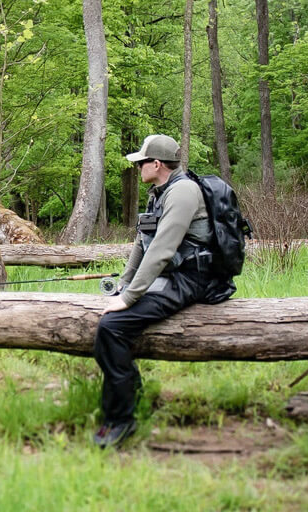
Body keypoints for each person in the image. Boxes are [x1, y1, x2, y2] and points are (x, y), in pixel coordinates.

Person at [91, 134, 228, 449]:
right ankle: (133, 393)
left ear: (156, 164)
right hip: (173, 276)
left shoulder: (183, 193)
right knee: (108, 321)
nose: (137, 167)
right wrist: (123, 285)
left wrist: (128, 300)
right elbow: (143, 243)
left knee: (112, 327)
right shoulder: (161, 192)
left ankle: (120, 420)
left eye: (141, 162)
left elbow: (162, 251)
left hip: (194, 279)